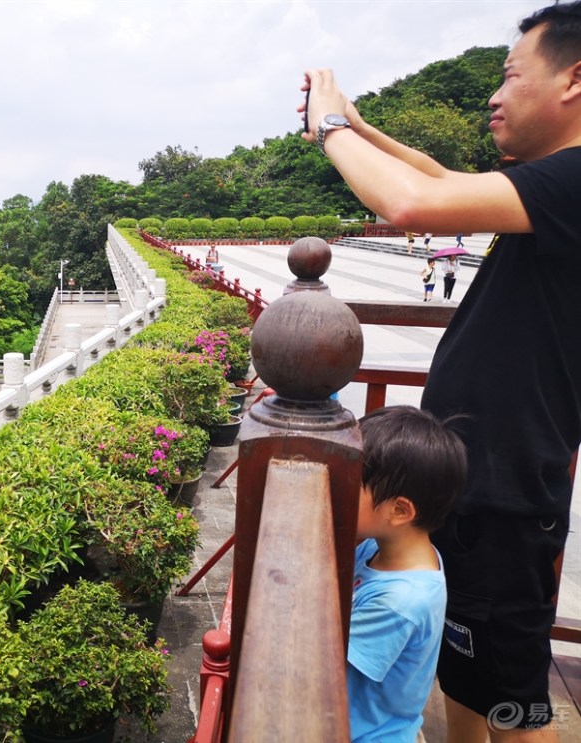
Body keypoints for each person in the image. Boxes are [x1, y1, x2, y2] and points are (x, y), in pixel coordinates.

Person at [302, 2, 581, 740]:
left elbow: (410, 201)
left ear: (574, 78)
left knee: (517, 701)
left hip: (509, 495)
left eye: (510, 73)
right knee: (465, 669)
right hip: (478, 479)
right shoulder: (553, 186)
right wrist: (359, 127)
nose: (495, 93)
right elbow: (442, 180)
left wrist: (328, 127)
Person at [349, 406, 468, 743]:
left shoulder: (399, 601)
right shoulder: (382, 549)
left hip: (367, 735)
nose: (335, 487)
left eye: (350, 482)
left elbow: (322, 670)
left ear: (399, 511)